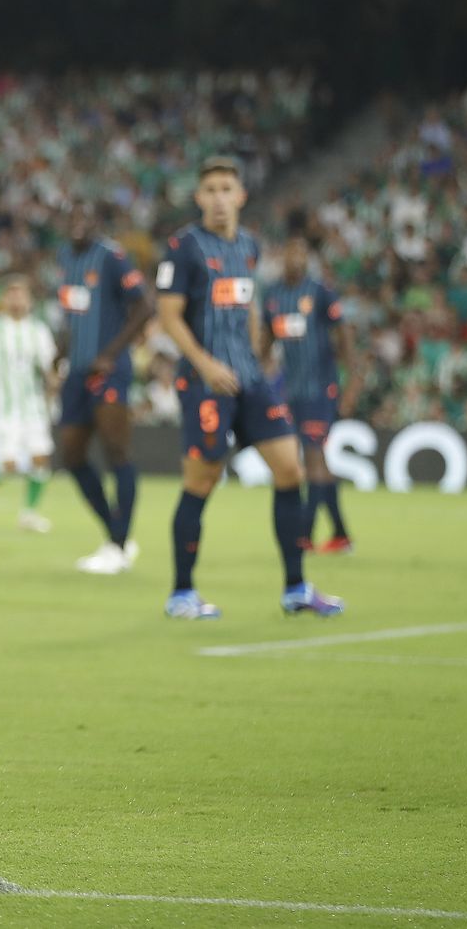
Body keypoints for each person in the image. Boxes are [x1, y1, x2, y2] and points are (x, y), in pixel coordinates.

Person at [154, 156, 344, 620]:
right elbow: (168, 314)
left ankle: (296, 587)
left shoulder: (249, 246)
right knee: (202, 479)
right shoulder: (183, 247)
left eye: (226, 189)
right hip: (205, 382)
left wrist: (258, 360)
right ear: (199, 198)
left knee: (289, 469)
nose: (219, 198)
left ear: (240, 196)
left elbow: (250, 304)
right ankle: (181, 593)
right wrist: (205, 364)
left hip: (250, 378)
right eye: (211, 190)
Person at [55, 204, 153, 573]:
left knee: (116, 452)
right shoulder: (66, 258)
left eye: (85, 219)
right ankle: (117, 534)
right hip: (76, 372)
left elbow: (144, 306)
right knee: (72, 455)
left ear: (96, 224)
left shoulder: (112, 257)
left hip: (107, 372)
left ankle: (117, 544)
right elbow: (72, 314)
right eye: (72, 219)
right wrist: (59, 354)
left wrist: (111, 354)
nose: (78, 225)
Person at [261, 232, 357, 554]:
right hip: (292, 391)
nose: (296, 259)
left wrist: (353, 381)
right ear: (281, 257)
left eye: (302, 254)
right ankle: (341, 535)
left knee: (312, 458)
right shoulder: (273, 296)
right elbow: (265, 343)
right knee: (316, 461)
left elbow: (343, 335)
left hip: (320, 388)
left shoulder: (319, 292)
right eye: (291, 253)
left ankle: (303, 535)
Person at [0, 275, 58, 533]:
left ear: (29, 300)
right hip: (5, 406)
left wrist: (53, 383)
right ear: (5, 299)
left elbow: (47, 367)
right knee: (10, 464)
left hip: (33, 406)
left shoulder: (38, 330)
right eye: (12, 294)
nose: (17, 299)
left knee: (40, 458)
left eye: (22, 294)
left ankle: (28, 514)